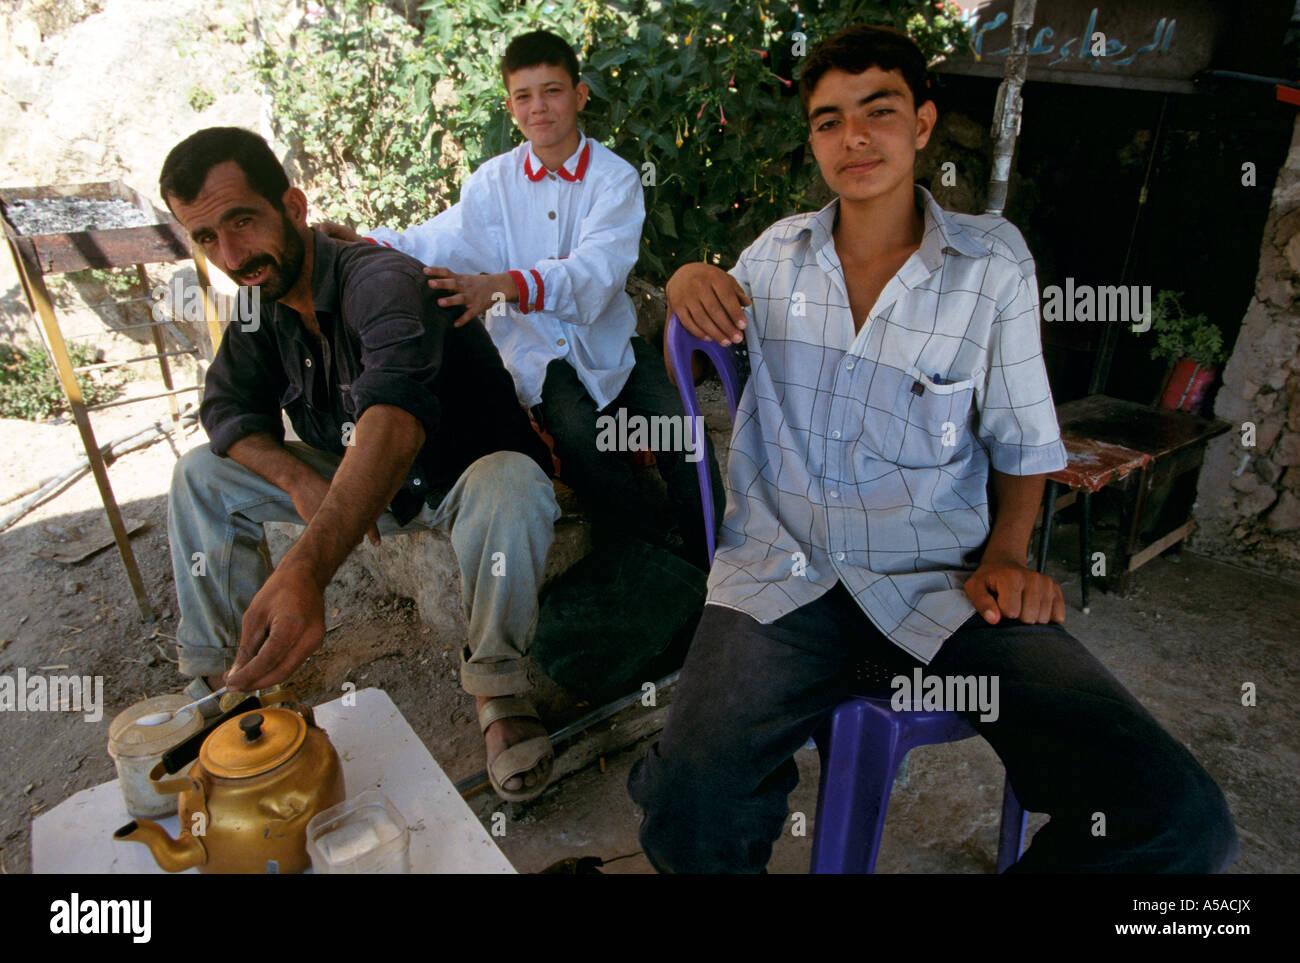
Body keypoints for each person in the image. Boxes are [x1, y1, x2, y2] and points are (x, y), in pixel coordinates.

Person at [626, 24, 1238, 872]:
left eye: (877, 111)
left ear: (921, 124)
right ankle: (675, 774)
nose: (854, 139)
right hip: (781, 579)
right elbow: (705, 307)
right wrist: (690, 275)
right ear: (813, 139)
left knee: (1180, 819)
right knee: (691, 807)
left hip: (940, 590)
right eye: (829, 121)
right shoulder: (775, 257)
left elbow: (1026, 436)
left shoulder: (992, 267)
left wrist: (1010, 553)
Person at [161, 126, 561, 802]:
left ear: (292, 206)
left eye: (241, 221)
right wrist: (296, 477)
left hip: (455, 477)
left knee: (515, 482)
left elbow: (393, 420)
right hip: (361, 485)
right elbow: (228, 412)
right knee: (200, 474)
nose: (230, 254)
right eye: (205, 238)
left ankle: (498, 690)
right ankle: (225, 683)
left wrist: (306, 568)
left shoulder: (380, 280)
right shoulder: (260, 304)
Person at [322, 29, 724, 569]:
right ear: (510, 105)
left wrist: (505, 284)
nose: (539, 107)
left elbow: (597, 274)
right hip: (539, 356)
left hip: (611, 346)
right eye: (524, 96)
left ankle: (715, 560)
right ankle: (654, 567)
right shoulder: (492, 183)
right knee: (582, 442)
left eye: (552, 91)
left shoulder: (614, 179)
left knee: (681, 432)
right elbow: (439, 239)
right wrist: (368, 242)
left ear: (580, 95)